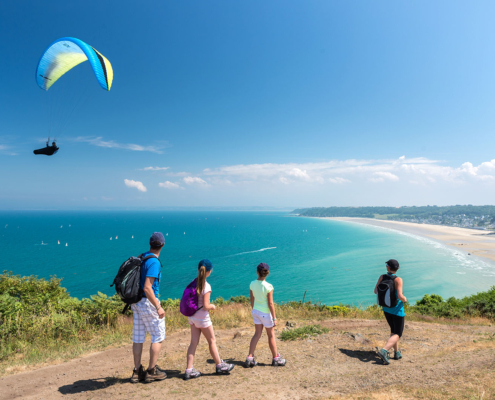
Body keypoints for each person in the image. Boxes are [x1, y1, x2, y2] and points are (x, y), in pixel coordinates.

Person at [184, 259, 235, 380]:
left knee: (193, 343)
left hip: (192, 317)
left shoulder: (193, 282)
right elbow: (206, 306)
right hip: (202, 318)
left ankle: (188, 370)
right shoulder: (206, 286)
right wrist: (213, 306)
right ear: (209, 271)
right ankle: (219, 365)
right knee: (212, 341)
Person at [130, 232, 167, 383]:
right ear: (162, 245)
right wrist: (158, 306)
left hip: (136, 302)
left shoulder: (142, 257)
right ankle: (151, 371)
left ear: (150, 244)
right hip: (148, 302)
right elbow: (147, 287)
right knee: (157, 336)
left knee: (138, 338)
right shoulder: (154, 262)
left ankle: (137, 371)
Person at [245, 262, 286, 368]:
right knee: (271, 335)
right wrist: (274, 317)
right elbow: (270, 303)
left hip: (256, 312)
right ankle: (276, 358)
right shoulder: (268, 286)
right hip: (265, 314)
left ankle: (250, 358)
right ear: (267, 273)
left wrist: (254, 310)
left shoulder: (252, 284)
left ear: (257, 272)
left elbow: (252, 299)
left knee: (257, 334)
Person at [374, 259, 407, 365]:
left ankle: (397, 353)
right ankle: (384, 350)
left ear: (388, 267)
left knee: (393, 331)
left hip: (386, 308)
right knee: (398, 333)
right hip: (397, 310)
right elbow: (401, 296)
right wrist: (405, 299)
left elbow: (375, 291)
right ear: (397, 268)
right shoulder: (398, 280)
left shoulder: (382, 277)